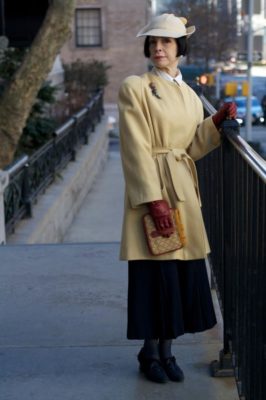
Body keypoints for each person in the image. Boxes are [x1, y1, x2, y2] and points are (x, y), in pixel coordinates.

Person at [118, 13, 237, 384]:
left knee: (177, 278)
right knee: (155, 276)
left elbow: (190, 146)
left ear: (179, 48)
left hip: (183, 191)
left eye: (167, 42)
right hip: (153, 191)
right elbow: (136, 147)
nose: (159, 47)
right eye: (154, 41)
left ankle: (165, 352)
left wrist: (214, 124)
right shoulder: (135, 86)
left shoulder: (187, 93)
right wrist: (152, 199)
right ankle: (150, 354)